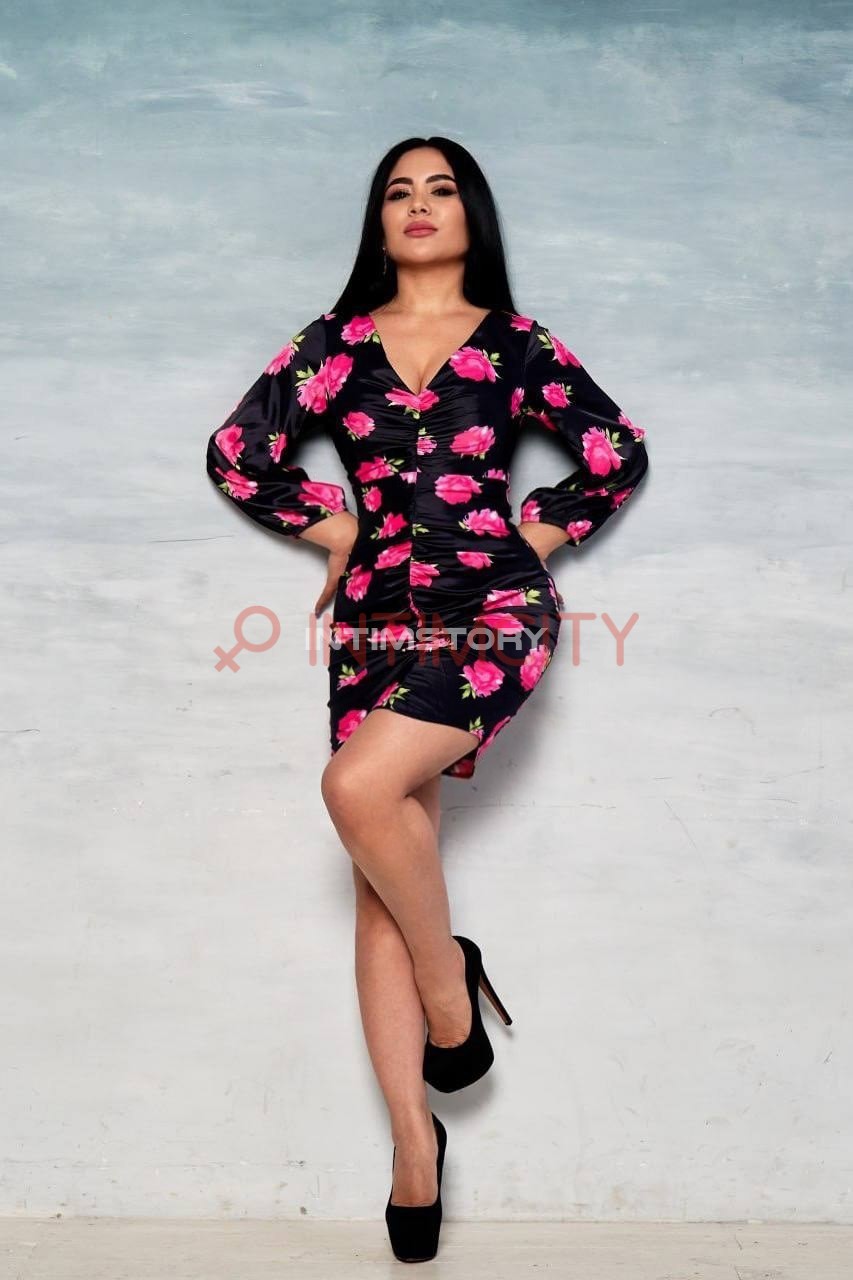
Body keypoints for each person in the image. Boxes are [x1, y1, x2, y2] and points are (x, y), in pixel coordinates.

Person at [205, 135, 649, 1262]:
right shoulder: (333, 343)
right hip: (372, 620)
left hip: (491, 607)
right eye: (398, 191)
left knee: (353, 789)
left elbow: (614, 450)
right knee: (376, 885)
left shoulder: (515, 344)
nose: (418, 205)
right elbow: (238, 452)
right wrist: (333, 526)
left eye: (440, 189)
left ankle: (449, 985)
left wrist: (536, 534)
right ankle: (415, 1147)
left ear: (469, 214)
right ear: (377, 219)